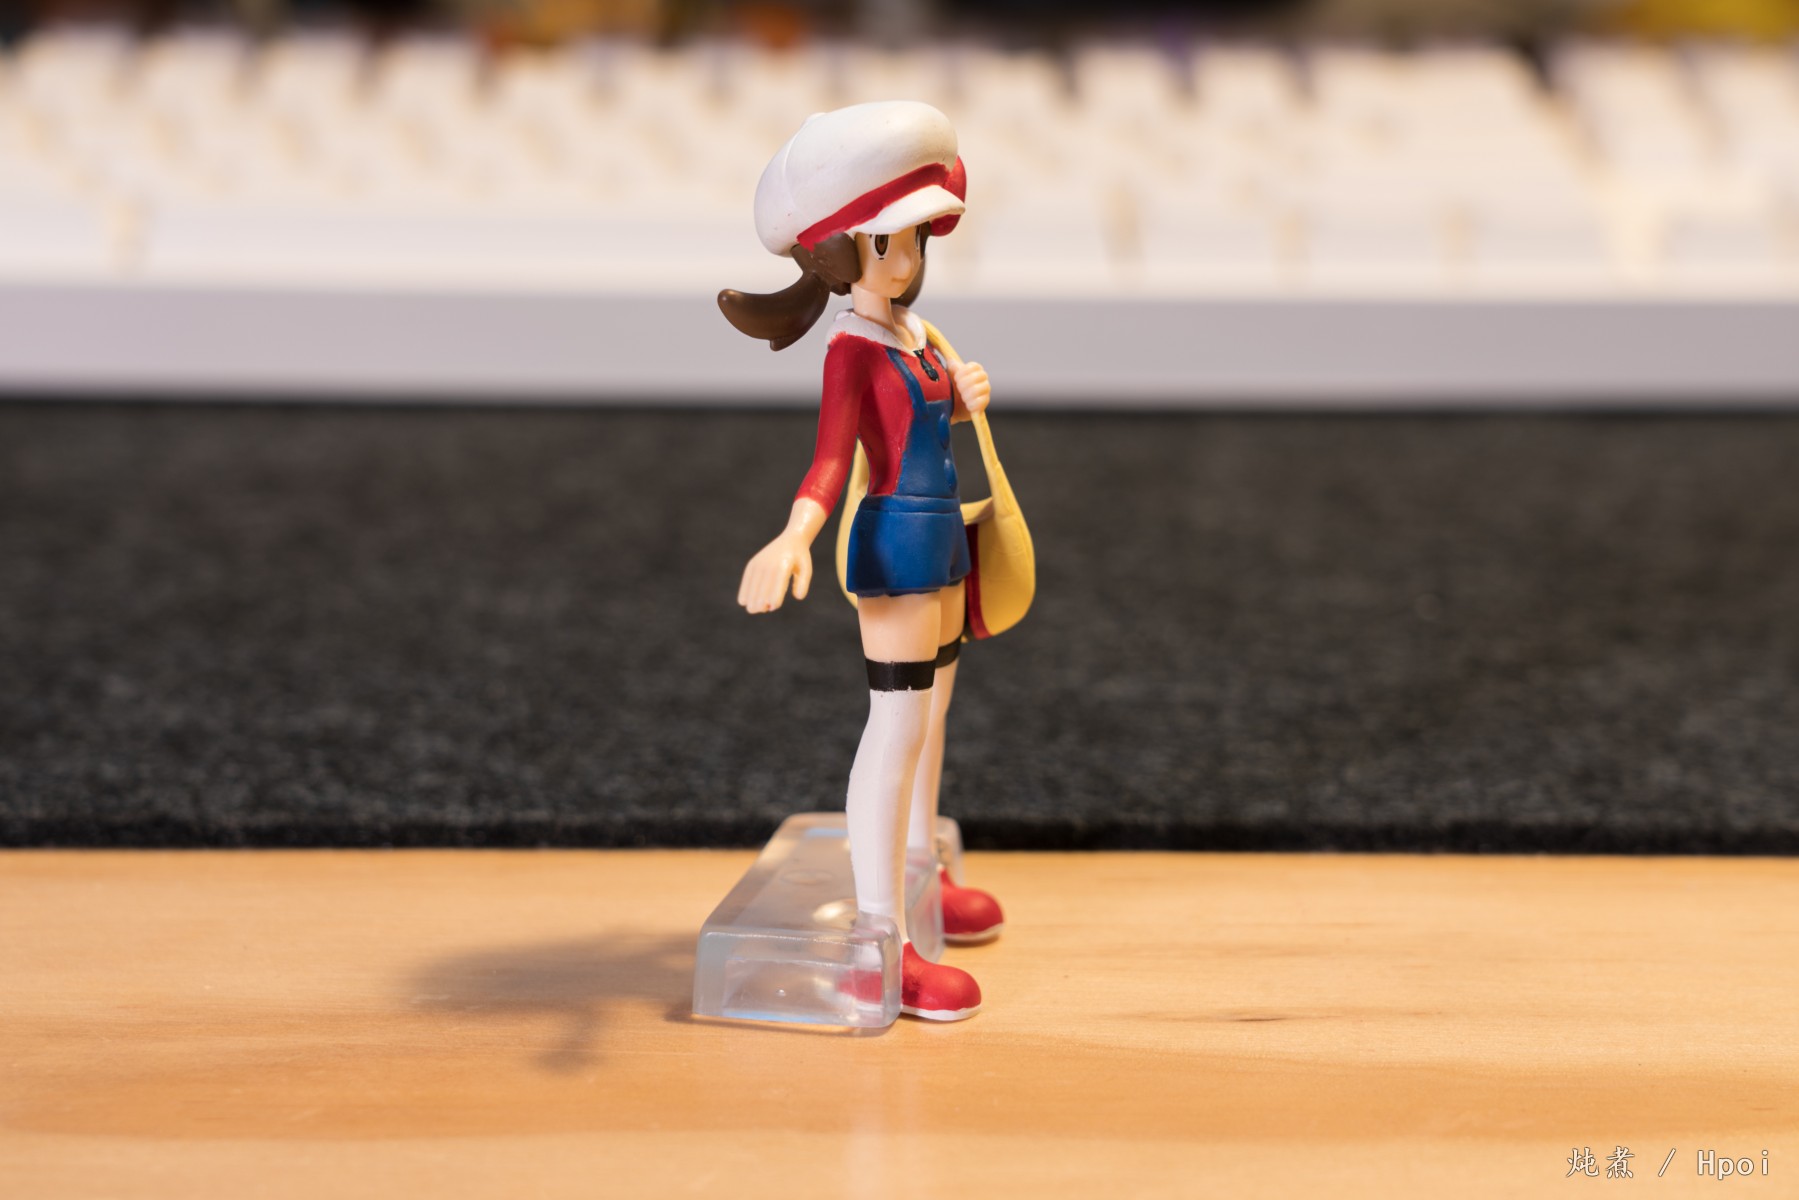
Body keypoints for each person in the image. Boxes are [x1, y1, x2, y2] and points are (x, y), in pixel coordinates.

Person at [718, 100, 1004, 1021]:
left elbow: (919, 422)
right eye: (887, 242)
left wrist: (958, 397)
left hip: (943, 538)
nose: (906, 259)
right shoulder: (850, 347)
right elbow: (831, 462)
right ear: (841, 252)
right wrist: (792, 537)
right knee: (896, 725)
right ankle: (877, 941)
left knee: (935, 711)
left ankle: (920, 871)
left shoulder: (915, 336)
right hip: (896, 547)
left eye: (914, 238)